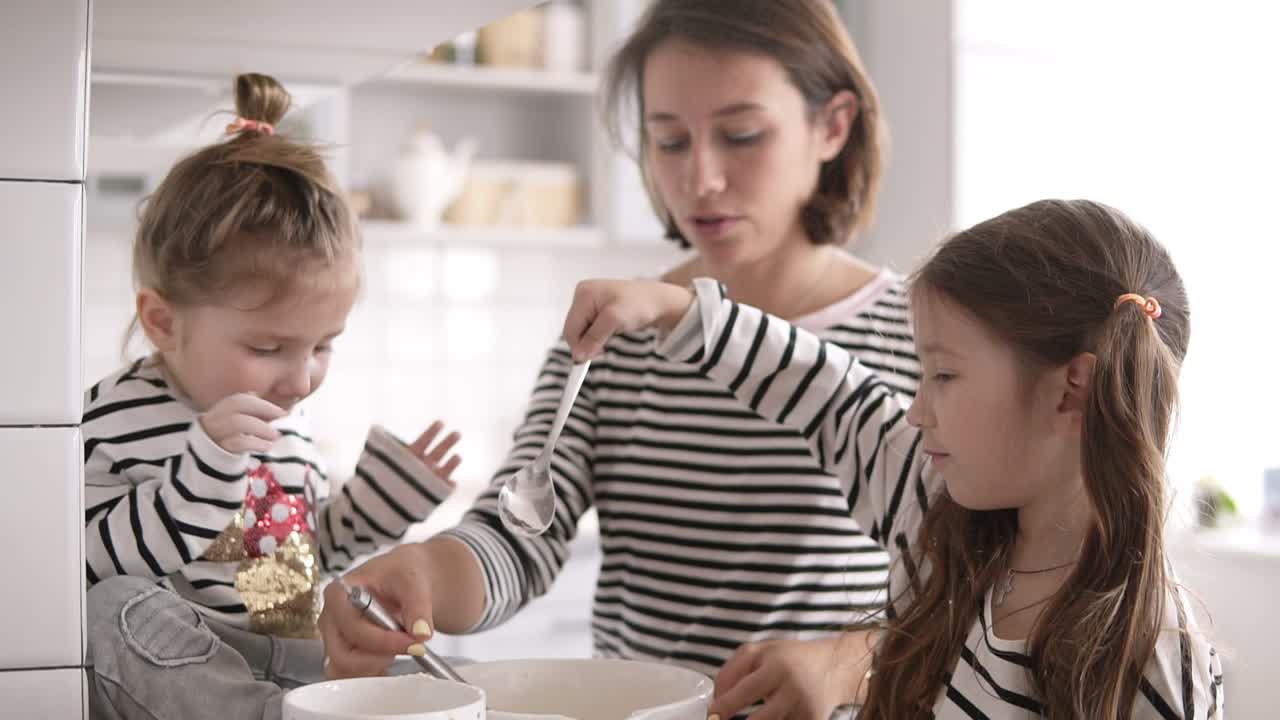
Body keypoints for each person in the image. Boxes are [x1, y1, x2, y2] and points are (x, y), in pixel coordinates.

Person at [319, 0, 919, 708]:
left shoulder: (916, 339)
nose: (701, 179)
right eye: (669, 141)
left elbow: (984, 584)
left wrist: (850, 662)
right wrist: (423, 571)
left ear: (833, 125)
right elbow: (520, 531)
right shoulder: (618, 332)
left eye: (742, 134)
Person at [561, 198, 1224, 718]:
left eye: (943, 375)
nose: (915, 409)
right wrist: (675, 309)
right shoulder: (933, 505)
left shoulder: (1157, 656)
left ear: (1070, 389)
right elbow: (827, 392)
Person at [82, 73, 463, 720]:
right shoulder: (116, 417)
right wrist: (192, 488)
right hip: (200, 665)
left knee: (431, 670)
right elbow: (87, 564)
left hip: (295, 659)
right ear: (163, 322)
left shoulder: (287, 423)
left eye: (323, 346)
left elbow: (289, 573)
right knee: (109, 612)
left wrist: (369, 511)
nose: (302, 379)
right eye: (267, 349)